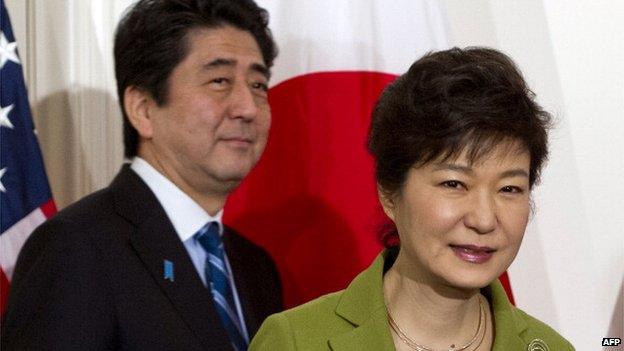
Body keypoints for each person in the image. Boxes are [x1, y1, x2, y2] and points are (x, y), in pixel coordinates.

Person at [249, 47, 574, 350]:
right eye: (454, 183)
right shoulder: (295, 340)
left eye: (509, 189)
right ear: (390, 192)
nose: (484, 219)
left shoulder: (550, 346)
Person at [2, 0, 281, 350]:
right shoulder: (75, 247)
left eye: (258, 85)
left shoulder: (255, 266)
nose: (247, 108)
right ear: (143, 109)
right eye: (219, 80)